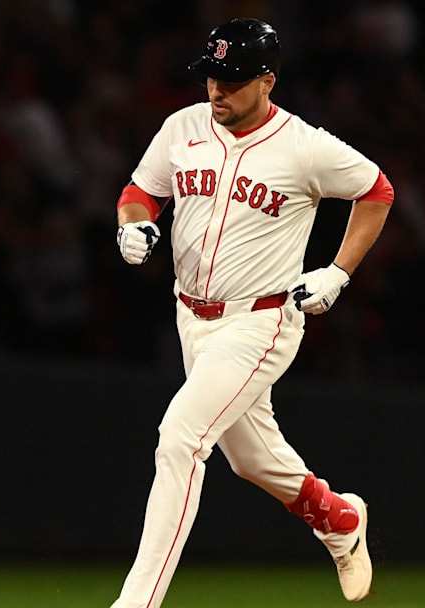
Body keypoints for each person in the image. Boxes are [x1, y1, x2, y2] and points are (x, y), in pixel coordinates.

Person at [110, 18, 394, 607]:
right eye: (212, 75)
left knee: (181, 438)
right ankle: (338, 519)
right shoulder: (183, 127)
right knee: (251, 458)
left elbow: (376, 190)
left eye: (233, 79)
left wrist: (338, 271)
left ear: (267, 81)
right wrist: (133, 226)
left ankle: (136, 602)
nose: (217, 89)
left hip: (259, 320)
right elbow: (141, 192)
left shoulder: (303, 146)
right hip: (191, 316)